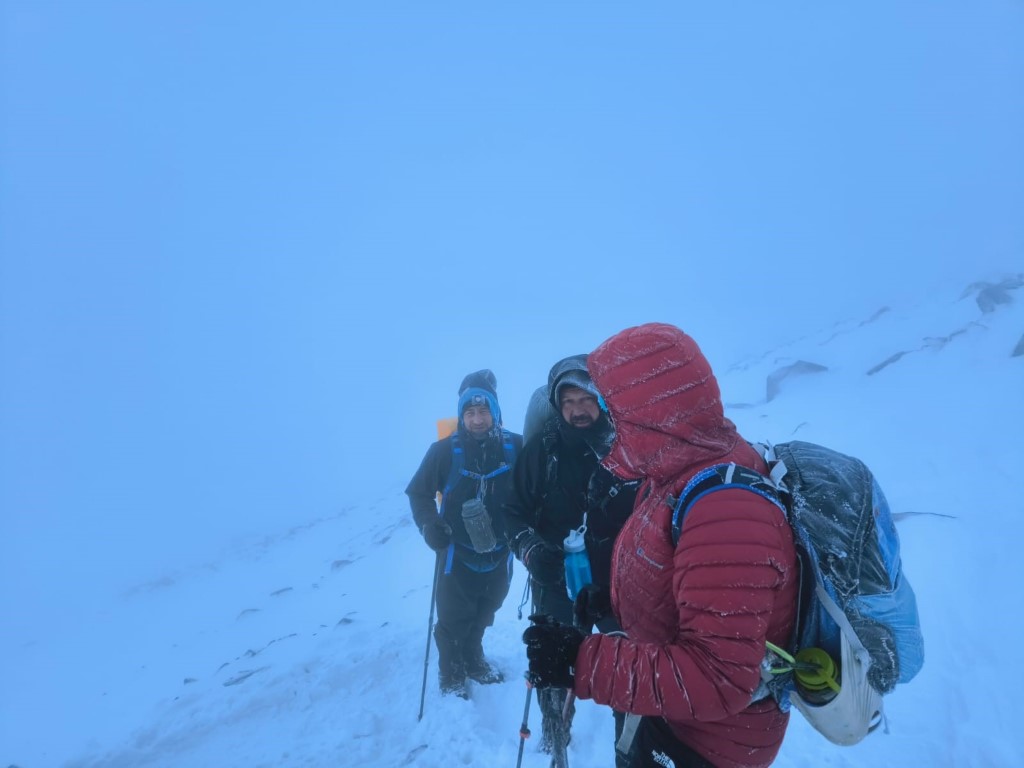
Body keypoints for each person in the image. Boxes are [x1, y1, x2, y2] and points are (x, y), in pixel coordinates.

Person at [522, 324, 800, 768]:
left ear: (653, 410)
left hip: (706, 745)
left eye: (613, 406)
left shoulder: (725, 510)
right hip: (673, 717)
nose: (609, 420)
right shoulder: (680, 467)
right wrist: (613, 600)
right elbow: (674, 575)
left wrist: (581, 661)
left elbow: (718, 678)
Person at [506, 354, 638, 764]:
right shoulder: (541, 453)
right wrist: (531, 551)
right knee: (554, 668)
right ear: (557, 406)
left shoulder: (626, 450)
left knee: (630, 666)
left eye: (586, 399)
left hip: (618, 582)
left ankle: (631, 740)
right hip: (555, 578)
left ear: (601, 400)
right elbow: (511, 512)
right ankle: (555, 731)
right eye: (568, 402)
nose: (578, 410)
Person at [406, 369, 524, 699]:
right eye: (469, 413)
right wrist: (430, 526)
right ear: (461, 415)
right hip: (456, 553)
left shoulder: (516, 447)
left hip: (500, 552)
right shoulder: (443, 451)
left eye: (483, 411)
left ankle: (473, 658)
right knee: (452, 618)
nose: (476, 419)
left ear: (495, 412)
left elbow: (533, 489)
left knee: (486, 609)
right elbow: (419, 493)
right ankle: (451, 672)